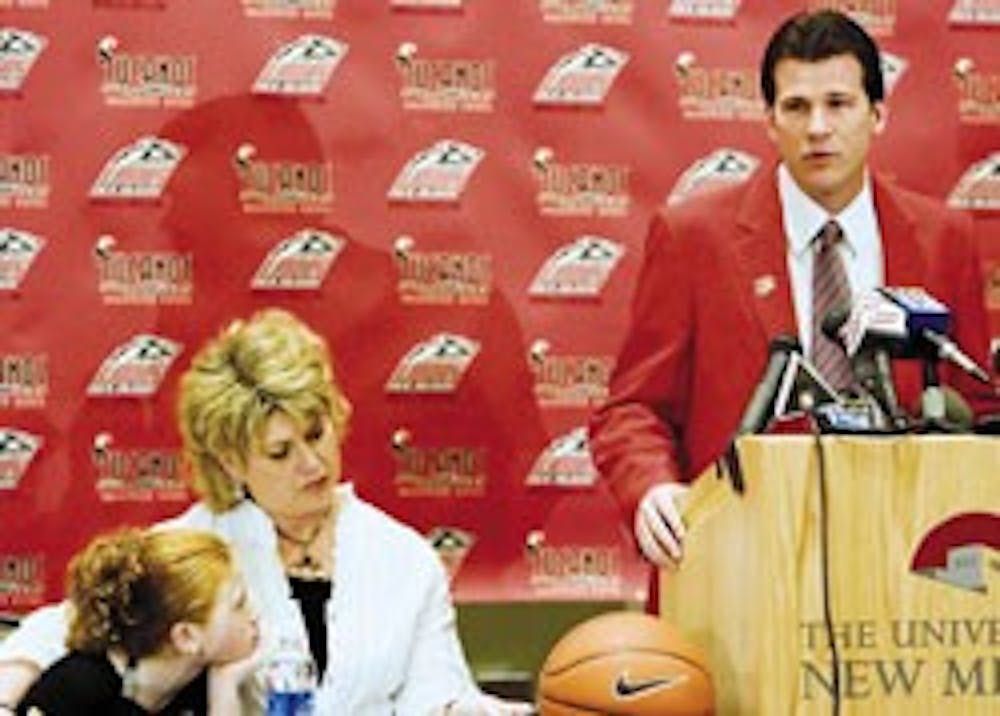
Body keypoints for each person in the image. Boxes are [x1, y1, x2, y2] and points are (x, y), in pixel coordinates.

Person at [588, 10, 996, 571]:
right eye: (796, 107)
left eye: (838, 104)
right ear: (769, 121)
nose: (818, 128)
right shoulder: (693, 237)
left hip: (898, 566)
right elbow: (633, 408)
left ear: (878, 114)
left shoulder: (943, 239)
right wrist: (653, 490)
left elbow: (974, 409)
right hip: (740, 564)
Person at [0, 309, 532, 715]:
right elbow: (67, 628)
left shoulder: (403, 559)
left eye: (317, 433)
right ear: (231, 461)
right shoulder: (196, 550)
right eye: (280, 452)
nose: (312, 463)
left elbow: (440, 700)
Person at [15, 527, 259, 715]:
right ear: (186, 637)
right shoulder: (77, 689)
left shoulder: (201, 682)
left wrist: (225, 691)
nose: (254, 614)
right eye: (238, 605)